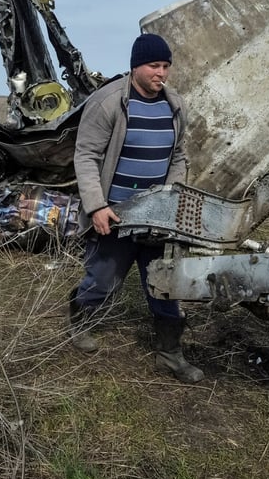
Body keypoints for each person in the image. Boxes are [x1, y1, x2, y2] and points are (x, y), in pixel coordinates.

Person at [67, 33, 204, 384]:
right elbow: (86, 156)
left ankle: (170, 355)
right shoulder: (109, 101)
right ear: (136, 67)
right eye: (154, 66)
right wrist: (97, 206)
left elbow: (179, 155)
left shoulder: (175, 105)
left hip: (155, 215)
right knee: (102, 280)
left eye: (166, 66)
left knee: (164, 283)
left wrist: (171, 195)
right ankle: (80, 321)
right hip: (116, 214)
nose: (162, 74)